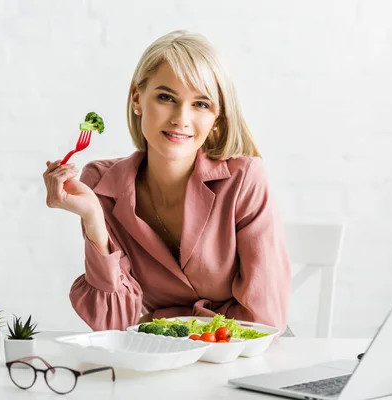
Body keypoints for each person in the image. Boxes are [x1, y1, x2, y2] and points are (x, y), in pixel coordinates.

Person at [42, 30, 291, 333]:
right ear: (137, 98)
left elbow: (263, 319)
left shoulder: (244, 180)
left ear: (217, 117)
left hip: (241, 354)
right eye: (165, 97)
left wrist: (174, 330)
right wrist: (94, 219)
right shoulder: (102, 185)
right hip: (164, 353)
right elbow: (112, 323)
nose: (180, 118)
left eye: (200, 104)